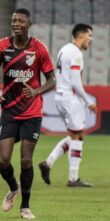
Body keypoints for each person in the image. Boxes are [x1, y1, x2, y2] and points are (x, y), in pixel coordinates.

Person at [0, 8, 56, 219]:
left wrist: (36, 91)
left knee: (26, 160)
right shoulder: (1, 46)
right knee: (3, 162)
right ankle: (13, 188)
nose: (16, 23)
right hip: (9, 111)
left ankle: (25, 207)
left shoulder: (39, 49)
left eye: (20, 21)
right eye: (13, 20)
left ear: (29, 24)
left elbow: (52, 79)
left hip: (31, 112)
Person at [38, 24, 97, 187]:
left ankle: (48, 163)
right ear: (82, 35)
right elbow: (76, 82)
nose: (91, 40)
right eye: (89, 36)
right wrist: (89, 101)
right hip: (70, 98)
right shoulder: (76, 53)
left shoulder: (64, 49)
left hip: (60, 97)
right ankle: (73, 179)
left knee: (75, 136)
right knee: (77, 136)